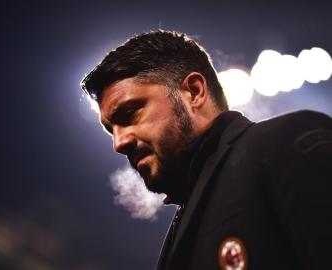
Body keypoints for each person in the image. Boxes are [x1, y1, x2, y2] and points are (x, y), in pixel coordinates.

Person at [80, 30, 332, 270]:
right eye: (110, 129)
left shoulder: (286, 142)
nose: (119, 143)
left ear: (194, 92)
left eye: (129, 113)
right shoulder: (190, 209)